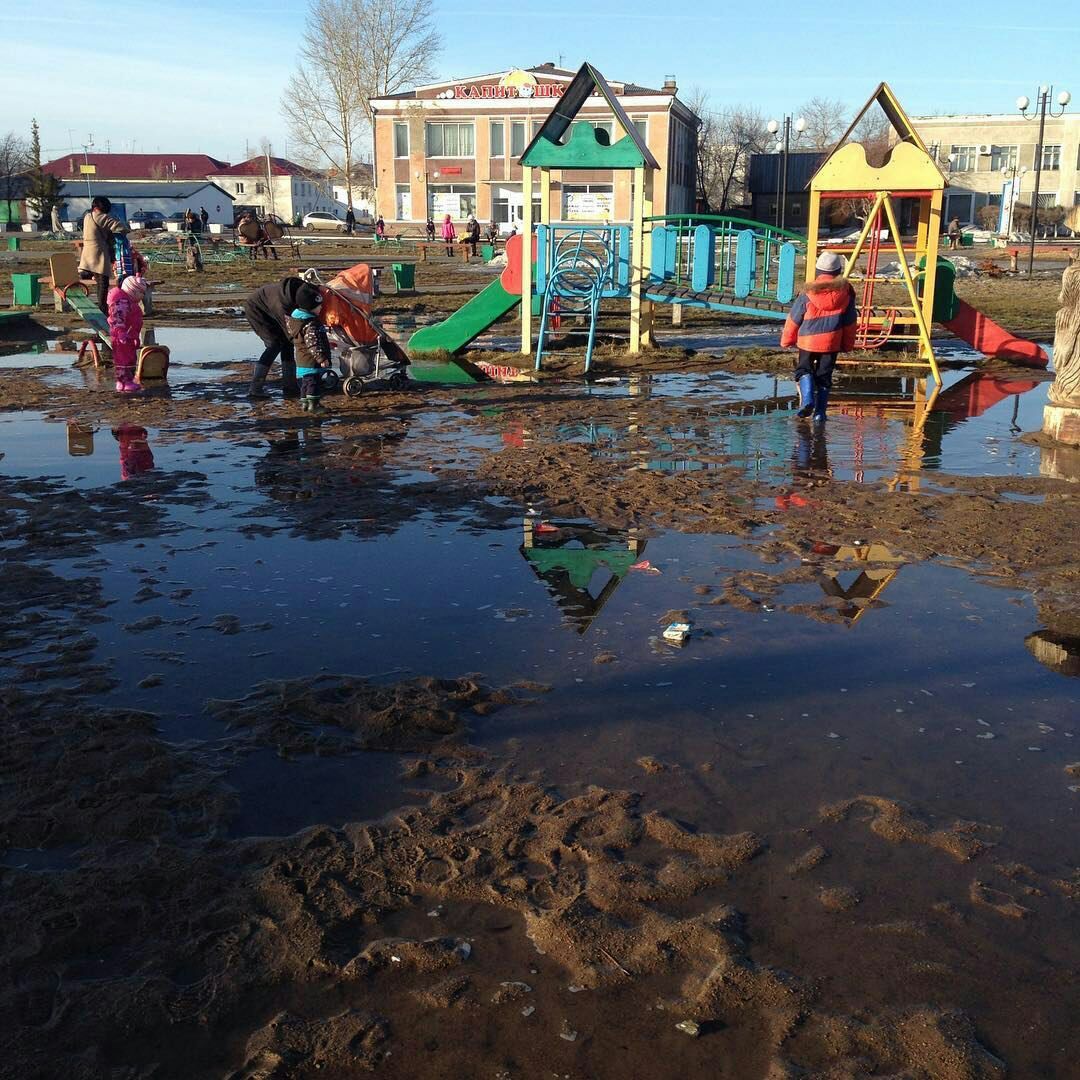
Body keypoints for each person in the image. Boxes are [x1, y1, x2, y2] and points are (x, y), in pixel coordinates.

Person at [780, 250, 857, 422]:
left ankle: (807, 400)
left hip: (807, 341)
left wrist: (787, 340)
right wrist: (847, 344)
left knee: (803, 370)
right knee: (824, 376)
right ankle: (820, 414)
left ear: (817, 271)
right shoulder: (847, 293)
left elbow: (794, 318)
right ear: (838, 272)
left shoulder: (807, 293)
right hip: (832, 342)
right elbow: (850, 322)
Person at [244, 277, 320, 399]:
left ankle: (290, 386)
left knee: (287, 345)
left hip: (269, 306)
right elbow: (292, 333)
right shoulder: (281, 306)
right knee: (274, 345)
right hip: (256, 310)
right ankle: (255, 388)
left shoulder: (304, 290)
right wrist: (309, 345)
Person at [286, 288, 332, 412]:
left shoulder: (295, 321)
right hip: (311, 360)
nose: (321, 308)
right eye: (319, 306)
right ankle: (314, 406)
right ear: (310, 307)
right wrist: (321, 358)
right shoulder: (311, 324)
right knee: (313, 383)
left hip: (301, 360)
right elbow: (313, 344)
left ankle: (305, 404)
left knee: (305, 384)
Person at [78, 196, 128, 313]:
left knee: (94, 276)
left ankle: (85, 273)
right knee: (102, 283)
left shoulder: (87, 216)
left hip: (87, 254)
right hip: (98, 253)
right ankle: (102, 308)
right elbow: (121, 227)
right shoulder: (101, 217)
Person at [107, 273, 147, 394]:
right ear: (133, 292)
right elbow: (117, 319)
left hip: (129, 335)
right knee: (125, 359)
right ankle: (125, 381)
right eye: (141, 293)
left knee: (127, 358)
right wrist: (121, 333)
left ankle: (124, 381)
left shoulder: (128, 302)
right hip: (123, 336)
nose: (142, 297)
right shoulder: (122, 303)